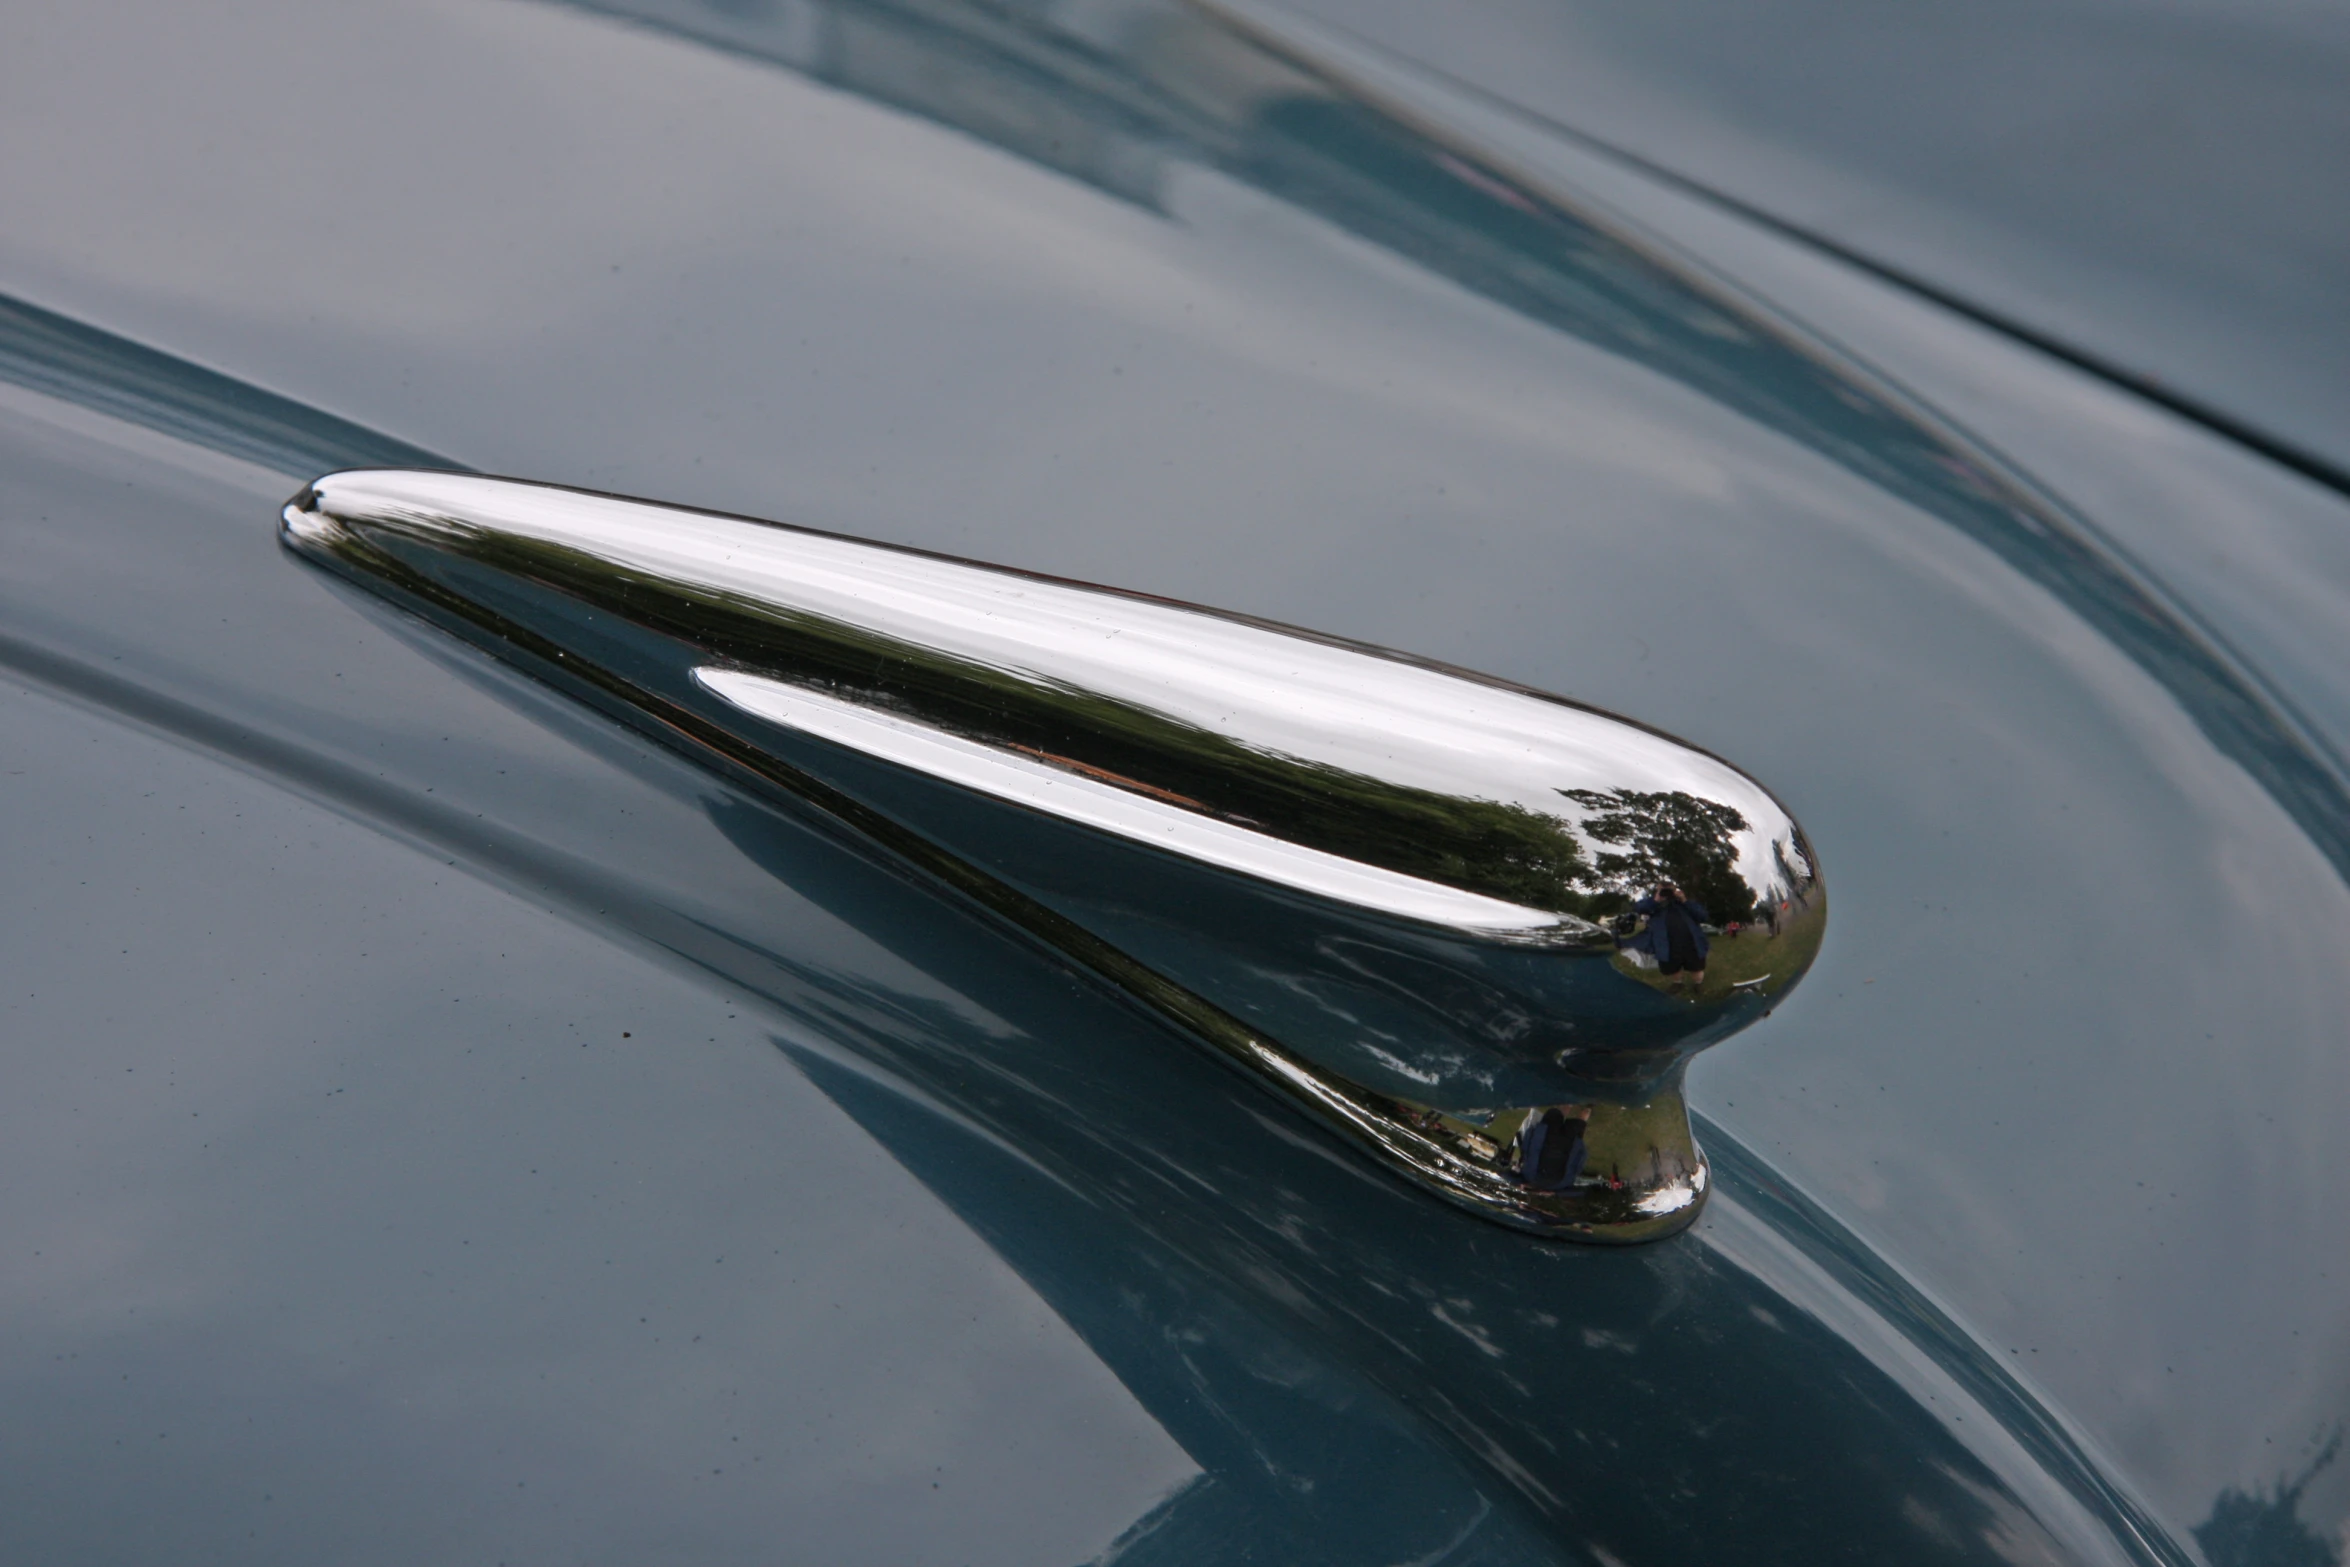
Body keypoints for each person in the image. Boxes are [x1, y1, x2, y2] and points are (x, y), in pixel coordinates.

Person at [1633, 880, 1709, 995]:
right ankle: (1677, 983)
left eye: (1670, 890)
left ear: (1675, 890)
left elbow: (1702, 916)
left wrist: (1684, 900)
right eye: (1664, 890)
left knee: (1696, 966)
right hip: (1667, 943)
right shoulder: (1653, 904)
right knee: (1672, 967)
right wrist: (1656, 899)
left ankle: (1698, 984)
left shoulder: (1685, 903)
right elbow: (1639, 908)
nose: (1667, 893)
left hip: (1691, 941)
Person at [1519, 1105, 1590, 1192]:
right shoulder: (1528, 1175)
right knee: (1558, 1113)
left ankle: (1588, 1106)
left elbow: (1576, 1167)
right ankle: (1572, 1101)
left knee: (1579, 1121)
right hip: (1547, 1138)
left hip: (1568, 1146)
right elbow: (1528, 1152)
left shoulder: (1559, 1185)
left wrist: (1581, 1150)